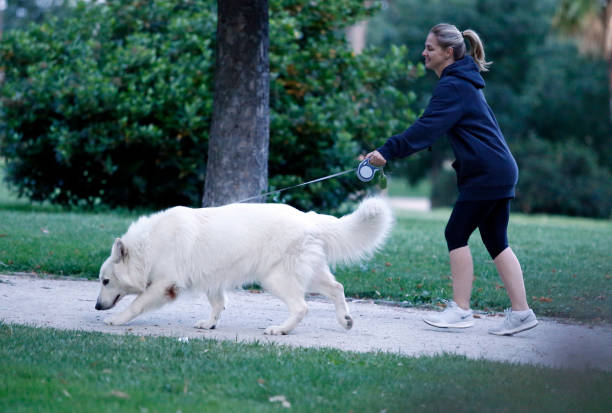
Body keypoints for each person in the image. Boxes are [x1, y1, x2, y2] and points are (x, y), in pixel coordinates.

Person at [365, 23, 537, 335]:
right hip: (499, 169)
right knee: (496, 241)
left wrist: (386, 152)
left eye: (430, 48)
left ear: (449, 52)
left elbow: (426, 127)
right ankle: (522, 313)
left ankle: (460, 309)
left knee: (456, 232)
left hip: (487, 172)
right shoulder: (461, 83)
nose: (424, 53)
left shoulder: (453, 85)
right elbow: (434, 127)